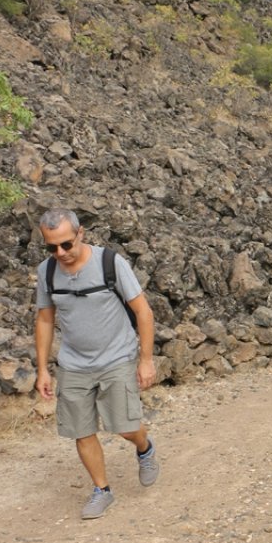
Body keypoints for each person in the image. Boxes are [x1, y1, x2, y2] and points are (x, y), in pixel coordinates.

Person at [34, 208, 159, 520]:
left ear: (81, 234)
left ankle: (144, 448)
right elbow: (45, 319)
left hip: (116, 357)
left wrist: (145, 360)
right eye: (51, 247)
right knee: (82, 429)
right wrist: (42, 369)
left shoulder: (110, 263)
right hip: (74, 364)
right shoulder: (46, 272)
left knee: (126, 427)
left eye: (66, 244)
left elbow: (143, 311)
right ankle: (102, 490)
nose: (60, 253)